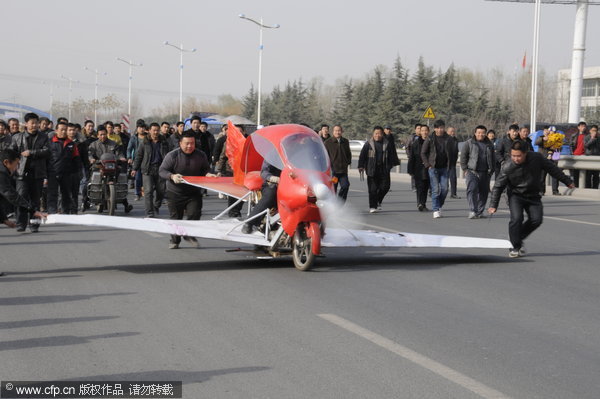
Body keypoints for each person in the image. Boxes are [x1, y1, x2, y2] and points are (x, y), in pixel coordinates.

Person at [488, 141, 574, 258]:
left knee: (536, 220)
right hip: (515, 195)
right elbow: (498, 186)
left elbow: (552, 169)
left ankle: (516, 236)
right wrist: (493, 205)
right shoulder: (507, 166)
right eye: (513, 156)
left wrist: (567, 181)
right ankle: (515, 246)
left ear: (526, 153)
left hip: (533, 195)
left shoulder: (537, 158)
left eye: (519, 156)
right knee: (516, 219)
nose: (516, 159)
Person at [159, 132, 210, 248]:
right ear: (180, 143)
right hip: (175, 192)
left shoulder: (201, 155)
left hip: (194, 192)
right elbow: (162, 171)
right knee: (176, 218)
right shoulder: (172, 155)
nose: (189, 146)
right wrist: (172, 176)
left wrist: (209, 174)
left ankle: (189, 235)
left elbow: (205, 169)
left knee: (195, 214)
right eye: (187, 143)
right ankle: (175, 240)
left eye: (192, 143)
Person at [10, 112, 49, 232]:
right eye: (32, 123)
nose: (34, 125)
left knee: (35, 200)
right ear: (26, 124)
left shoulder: (43, 137)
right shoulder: (17, 137)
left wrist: (31, 152)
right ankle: (21, 223)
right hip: (21, 174)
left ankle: (34, 224)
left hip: (37, 174)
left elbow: (47, 151)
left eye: (36, 123)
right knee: (21, 198)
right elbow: (11, 153)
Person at [1, 148, 47, 235]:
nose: (17, 168)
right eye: (16, 164)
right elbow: (11, 195)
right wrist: (33, 211)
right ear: (6, 162)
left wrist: (4, 220)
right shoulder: (1, 173)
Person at [88, 126, 132, 213]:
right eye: (100, 135)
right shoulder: (93, 145)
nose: (103, 136)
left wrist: (122, 158)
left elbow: (119, 153)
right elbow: (90, 154)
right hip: (98, 166)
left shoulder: (113, 144)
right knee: (91, 182)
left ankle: (125, 203)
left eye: (104, 134)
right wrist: (91, 159)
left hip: (112, 167)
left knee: (121, 181)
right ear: (97, 135)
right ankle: (85, 201)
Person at [420, 119, 458, 218]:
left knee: (445, 189)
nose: (440, 130)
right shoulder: (430, 138)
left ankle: (439, 205)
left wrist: (451, 164)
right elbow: (423, 153)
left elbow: (454, 152)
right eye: (438, 128)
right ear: (435, 129)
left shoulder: (449, 139)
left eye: (442, 127)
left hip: (445, 168)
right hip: (433, 168)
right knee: (435, 189)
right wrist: (427, 165)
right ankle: (435, 209)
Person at [132, 123, 169, 218]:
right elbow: (139, 156)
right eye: (154, 130)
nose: (156, 132)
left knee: (161, 191)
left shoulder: (164, 142)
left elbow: (168, 156)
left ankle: (156, 205)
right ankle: (150, 212)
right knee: (148, 191)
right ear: (149, 131)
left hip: (161, 169)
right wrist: (134, 168)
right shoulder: (144, 142)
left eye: (157, 130)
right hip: (148, 169)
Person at [358, 126, 397, 213]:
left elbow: (392, 154)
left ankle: (378, 200)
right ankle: (373, 206)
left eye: (379, 133)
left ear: (382, 134)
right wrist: (361, 166)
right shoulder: (368, 144)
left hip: (384, 169)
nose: (377, 135)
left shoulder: (387, 143)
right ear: (373, 134)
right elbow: (362, 156)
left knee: (385, 187)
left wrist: (390, 165)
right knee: (372, 189)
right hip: (372, 169)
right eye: (376, 133)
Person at [460, 125, 495, 219]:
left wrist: (492, 170)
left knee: (484, 192)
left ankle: (480, 211)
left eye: (483, 133)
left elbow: (493, 158)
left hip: (485, 172)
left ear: (485, 133)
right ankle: (472, 210)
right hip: (472, 171)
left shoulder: (489, 144)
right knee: (472, 189)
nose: (481, 134)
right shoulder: (469, 143)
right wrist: (465, 169)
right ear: (475, 133)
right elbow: (463, 156)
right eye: (479, 132)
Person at [46, 121, 81, 214]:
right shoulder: (49, 143)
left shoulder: (71, 144)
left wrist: (78, 172)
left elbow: (76, 158)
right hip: (52, 172)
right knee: (52, 194)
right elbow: (45, 159)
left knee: (66, 194)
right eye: (62, 130)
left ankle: (65, 212)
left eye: (65, 130)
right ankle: (52, 212)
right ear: (56, 130)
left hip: (67, 173)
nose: (64, 132)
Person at [241, 159, 281, 233]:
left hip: (292, 185)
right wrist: (272, 177)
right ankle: (250, 222)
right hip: (273, 184)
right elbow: (264, 171)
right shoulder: (273, 154)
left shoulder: (300, 153)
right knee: (270, 195)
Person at [324, 125, 352, 202]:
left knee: (345, 186)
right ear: (333, 132)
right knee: (333, 189)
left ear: (342, 131)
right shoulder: (328, 142)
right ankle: (332, 206)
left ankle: (340, 202)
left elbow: (348, 153)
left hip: (343, 170)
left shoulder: (345, 141)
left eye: (339, 130)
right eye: (336, 130)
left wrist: (348, 161)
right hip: (334, 171)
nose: (337, 132)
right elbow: (325, 156)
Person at [407, 124, 430, 211]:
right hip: (418, 168)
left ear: (429, 131)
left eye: (426, 130)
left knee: (425, 187)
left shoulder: (431, 142)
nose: (424, 132)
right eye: (422, 130)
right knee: (419, 187)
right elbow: (412, 156)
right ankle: (420, 203)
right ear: (420, 132)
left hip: (428, 168)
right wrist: (410, 169)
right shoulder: (416, 143)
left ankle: (423, 203)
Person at [535, 126, 561, 195]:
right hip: (543, 159)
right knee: (542, 176)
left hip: (552, 160)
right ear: (544, 131)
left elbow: (558, 149)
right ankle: (541, 191)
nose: (548, 132)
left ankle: (555, 191)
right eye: (546, 130)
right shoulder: (541, 137)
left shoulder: (555, 139)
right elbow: (536, 142)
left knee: (555, 175)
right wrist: (543, 139)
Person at [127, 122, 146, 200]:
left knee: (146, 177)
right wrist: (129, 158)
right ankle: (137, 193)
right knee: (137, 177)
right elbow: (129, 148)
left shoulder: (147, 137)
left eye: (143, 127)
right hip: (137, 160)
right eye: (140, 127)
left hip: (146, 160)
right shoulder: (134, 138)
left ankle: (145, 191)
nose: (141, 129)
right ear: (137, 129)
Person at [569, 121, 588, 188]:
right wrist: (572, 153)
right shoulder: (574, 136)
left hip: (583, 156)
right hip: (575, 155)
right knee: (576, 173)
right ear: (578, 127)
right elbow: (571, 145)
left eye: (584, 126)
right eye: (582, 126)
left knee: (583, 173)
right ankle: (576, 186)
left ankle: (583, 187)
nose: (583, 128)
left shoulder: (587, 136)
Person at [446, 126, 461, 199]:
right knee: (444, 179)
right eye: (451, 131)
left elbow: (456, 150)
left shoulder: (456, 140)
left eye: (454, 131)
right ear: (447, 132)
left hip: (452, 162)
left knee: (453, 178)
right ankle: (442, 192)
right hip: (445, 162)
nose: (453, 133)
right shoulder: (445, 139)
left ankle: (453, 193)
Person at [584, 124, 599, 189]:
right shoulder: (587, 137)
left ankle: (595, 188)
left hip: (597, 158)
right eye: (593, 130)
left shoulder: (599, 138)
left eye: (596, 130)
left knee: (596, 175)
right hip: (589, 158)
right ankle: (588, 188)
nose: (594, 132)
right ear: (590, 131)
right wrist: (592, 139)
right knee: (588, 176)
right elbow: (586, 146)